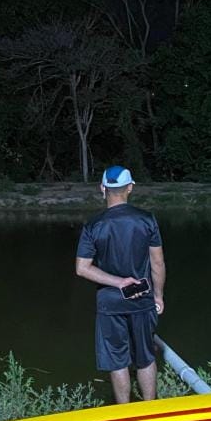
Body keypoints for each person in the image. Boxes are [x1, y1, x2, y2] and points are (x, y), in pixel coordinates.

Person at [75, 165, 166, 404]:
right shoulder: (147, 220)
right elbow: (158, 264)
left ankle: (124, 414)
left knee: (117, 361)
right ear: (130, 188)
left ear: (102, 188)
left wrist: (118, 282)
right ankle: (150, 410)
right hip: (142, 299)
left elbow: (82, 268)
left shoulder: (93, 225)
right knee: (145, 357)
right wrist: (158, 296)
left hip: (110, 302)